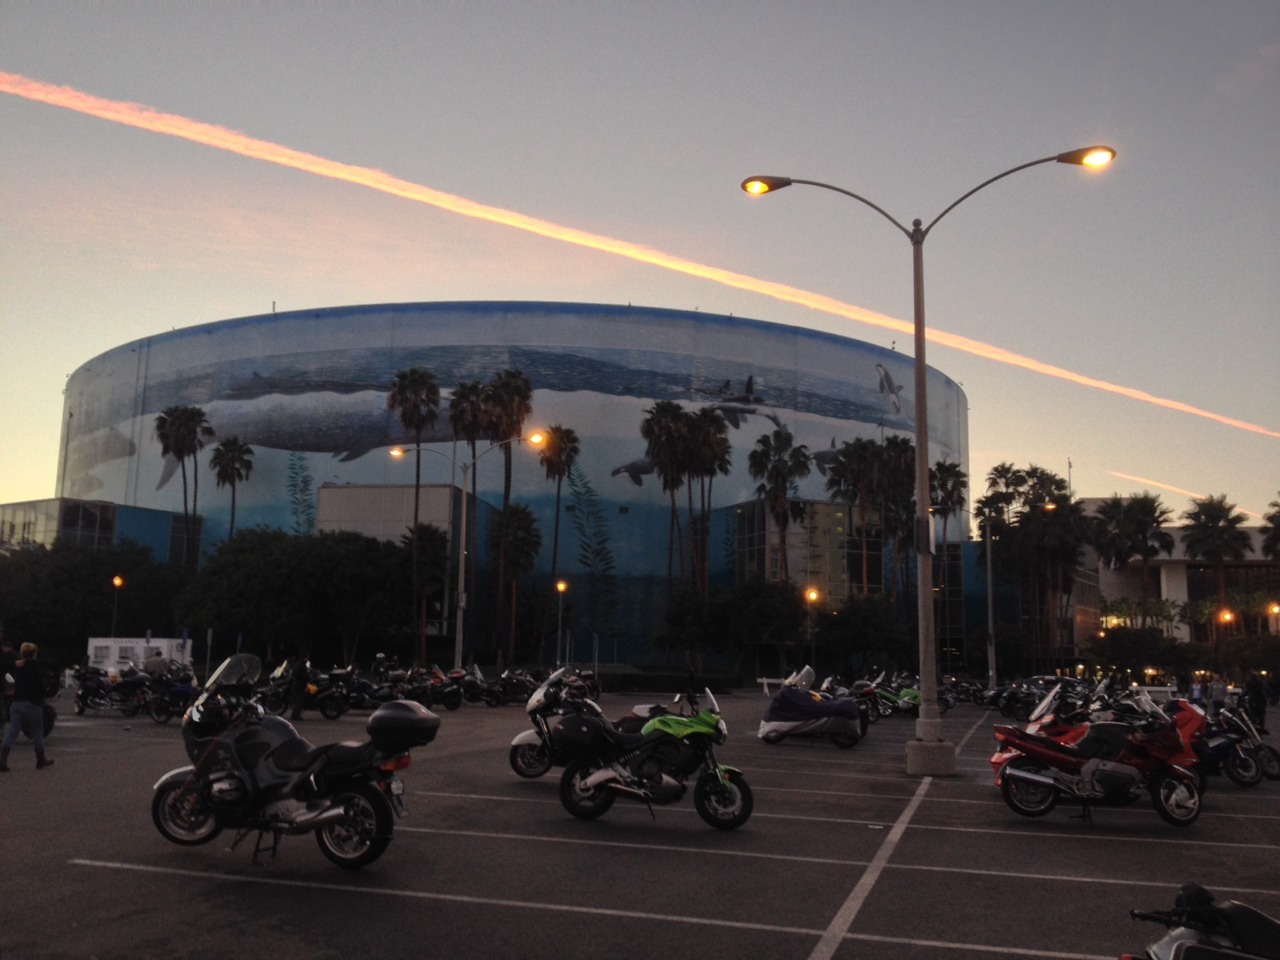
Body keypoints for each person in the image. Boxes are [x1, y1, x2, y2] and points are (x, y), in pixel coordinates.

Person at [1, 642, 53, 771]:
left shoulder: (18, 666)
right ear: (35, 653)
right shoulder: (37, 668)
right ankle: (40, 760)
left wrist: (13, 664)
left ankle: (3, 760)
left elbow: (3, 668)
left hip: (16, 703)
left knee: (12, 732)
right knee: (37, 732)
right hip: (33, 704)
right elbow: (41, 687)